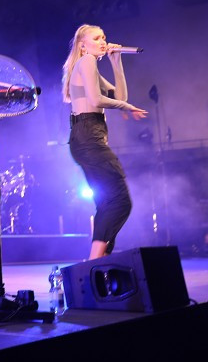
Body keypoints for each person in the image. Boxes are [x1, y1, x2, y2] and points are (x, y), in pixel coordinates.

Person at [62, 24, 148, 259]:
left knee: (109, 202)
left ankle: (96, 261)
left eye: (104, 37)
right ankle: (94, 263)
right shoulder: (86, 61)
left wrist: (116, 61)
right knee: (120, 201)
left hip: (86, 137)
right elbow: (97, 99)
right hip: (88, 135)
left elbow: (119, 96)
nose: (103, 41)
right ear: (83, 45)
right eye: (97, 38)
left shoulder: (89, 66)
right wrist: (126, 108)